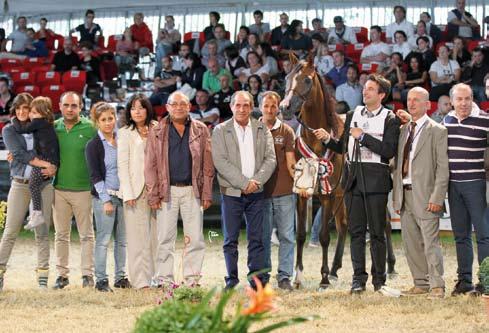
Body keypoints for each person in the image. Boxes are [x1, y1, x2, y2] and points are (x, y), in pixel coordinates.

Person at [314, 74, 400, 293]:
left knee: (378, 233)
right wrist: (327, 140)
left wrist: (363, 138)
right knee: (357, 232)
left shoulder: (390, 118)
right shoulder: (353, 114)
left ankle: (379, 280)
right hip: (352, 181)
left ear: (381, 94)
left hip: (376, 179)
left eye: (371, 89)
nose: (365, 91)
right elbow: (343, 147)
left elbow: (389, 151)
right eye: (365, 88)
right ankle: (358, 279)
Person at [145, 91, 214, 288]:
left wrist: (207, 192)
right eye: (174, 104)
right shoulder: (157, 131)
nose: (178, 107)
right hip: (167, 192)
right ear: (167, 107)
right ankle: (164, 280)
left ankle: (192, 280)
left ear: (189, 107)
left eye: (182, 104)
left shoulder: (201, 129)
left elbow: (208, 164)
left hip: (193, 191)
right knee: (165, 238)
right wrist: (153, 194)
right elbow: (149, 166)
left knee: (195, 239)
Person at [211, 90, 276, 290]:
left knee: (256, 239)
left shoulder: (261, 129)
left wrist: (255, 182)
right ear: (231, 107)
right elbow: (220, 161)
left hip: (256, 193)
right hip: (231, 194)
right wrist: (243, 183)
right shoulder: (220, 130)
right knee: (230, 240)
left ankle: (256, 281)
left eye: (246, 105)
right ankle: (231, 280)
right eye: (237, 105)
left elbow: (270, 159)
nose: (241, 109)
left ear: (251, 107)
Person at [392, 87, 449, 299]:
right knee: (411, 242)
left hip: (426, 195)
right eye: (409, 99)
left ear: (428, 105)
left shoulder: (437, 130)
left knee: (430, 242)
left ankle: (437, 285)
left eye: (417, 100)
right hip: (405, 194)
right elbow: (398, 162)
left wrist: (437, 197)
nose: (411, 103)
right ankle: (420, 283)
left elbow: (443, 168)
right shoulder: (404, 130)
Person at [0, 93, 56, 291]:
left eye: (26, 108)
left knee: (42, 232)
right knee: (10, 231)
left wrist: (53, 167)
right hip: (20, 184)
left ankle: (42, 275)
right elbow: (20, 154)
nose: (22, 112)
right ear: (14, 110)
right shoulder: (9, 130)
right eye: (19, 109)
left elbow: (52, 148)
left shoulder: (41, 127)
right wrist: (45, 162)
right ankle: (0, 272)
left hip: (43, 184)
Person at [443, 83, 489, 296]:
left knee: (483, 235)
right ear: (452, 101)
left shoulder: (485, 121)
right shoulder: (446, 121)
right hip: (453, 186)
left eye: (467, 98)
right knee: (460, 236)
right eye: (459, 99)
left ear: (473, 99)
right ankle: (464, 281)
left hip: (476, 185)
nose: (463, 103)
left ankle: (485, 282)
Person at [52, 91, 97, 290]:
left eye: (74, 105)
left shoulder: (90, 128)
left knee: (86, 235)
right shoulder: (53, 128)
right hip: (58, 190)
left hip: (84, 190)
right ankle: (62, 275)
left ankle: (88, 275)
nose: (70, 109)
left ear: (81, 107)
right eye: (66, 105)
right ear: (60, 106)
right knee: (61, 235)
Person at [85, 102, 129, 292]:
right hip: (105, 198)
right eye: (103, 120)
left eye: (111, 118)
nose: (108, 123)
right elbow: (95, 175)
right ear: (97, 122)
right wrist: (106, 200)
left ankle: (121, 277)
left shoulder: (123, 140)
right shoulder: (93, 145)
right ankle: (101, 280)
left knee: (122, 241)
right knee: (103, 241)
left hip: (125, 197)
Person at [117, 94, 158, 289]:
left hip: (157, 189)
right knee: (136, 238)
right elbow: (122, 165)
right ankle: (140, 281)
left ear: (147, 109)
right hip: (135, 191)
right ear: (129, 112)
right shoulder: (125, 132)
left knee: (157, 237)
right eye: (134, 108)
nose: (138, 111)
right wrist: (128, 193)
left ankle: (157, 277)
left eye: (141, 107)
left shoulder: (158, 128)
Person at [260, 91, 296, 291]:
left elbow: (291, 162)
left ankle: (284, 277)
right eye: (266, 106)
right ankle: (262, 275)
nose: (270, 110)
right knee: (262, 236)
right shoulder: (253, 129)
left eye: (273, 106)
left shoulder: (287, 131)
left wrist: (301, 183)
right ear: (261, 107)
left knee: (287, 236)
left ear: (278, 108)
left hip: (284, 191)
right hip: (260, 193)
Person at [10, 96, 59, 230]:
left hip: (44, 159)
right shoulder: (47, 124)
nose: (30, 115)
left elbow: (21, 130)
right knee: (34, 185)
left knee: (32, 185)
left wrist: (13, 119)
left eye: (33, 112)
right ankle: (35, 214)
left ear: (43, 113)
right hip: (49, 159)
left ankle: (36, 213)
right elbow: (21, 152)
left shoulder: (38, 122)